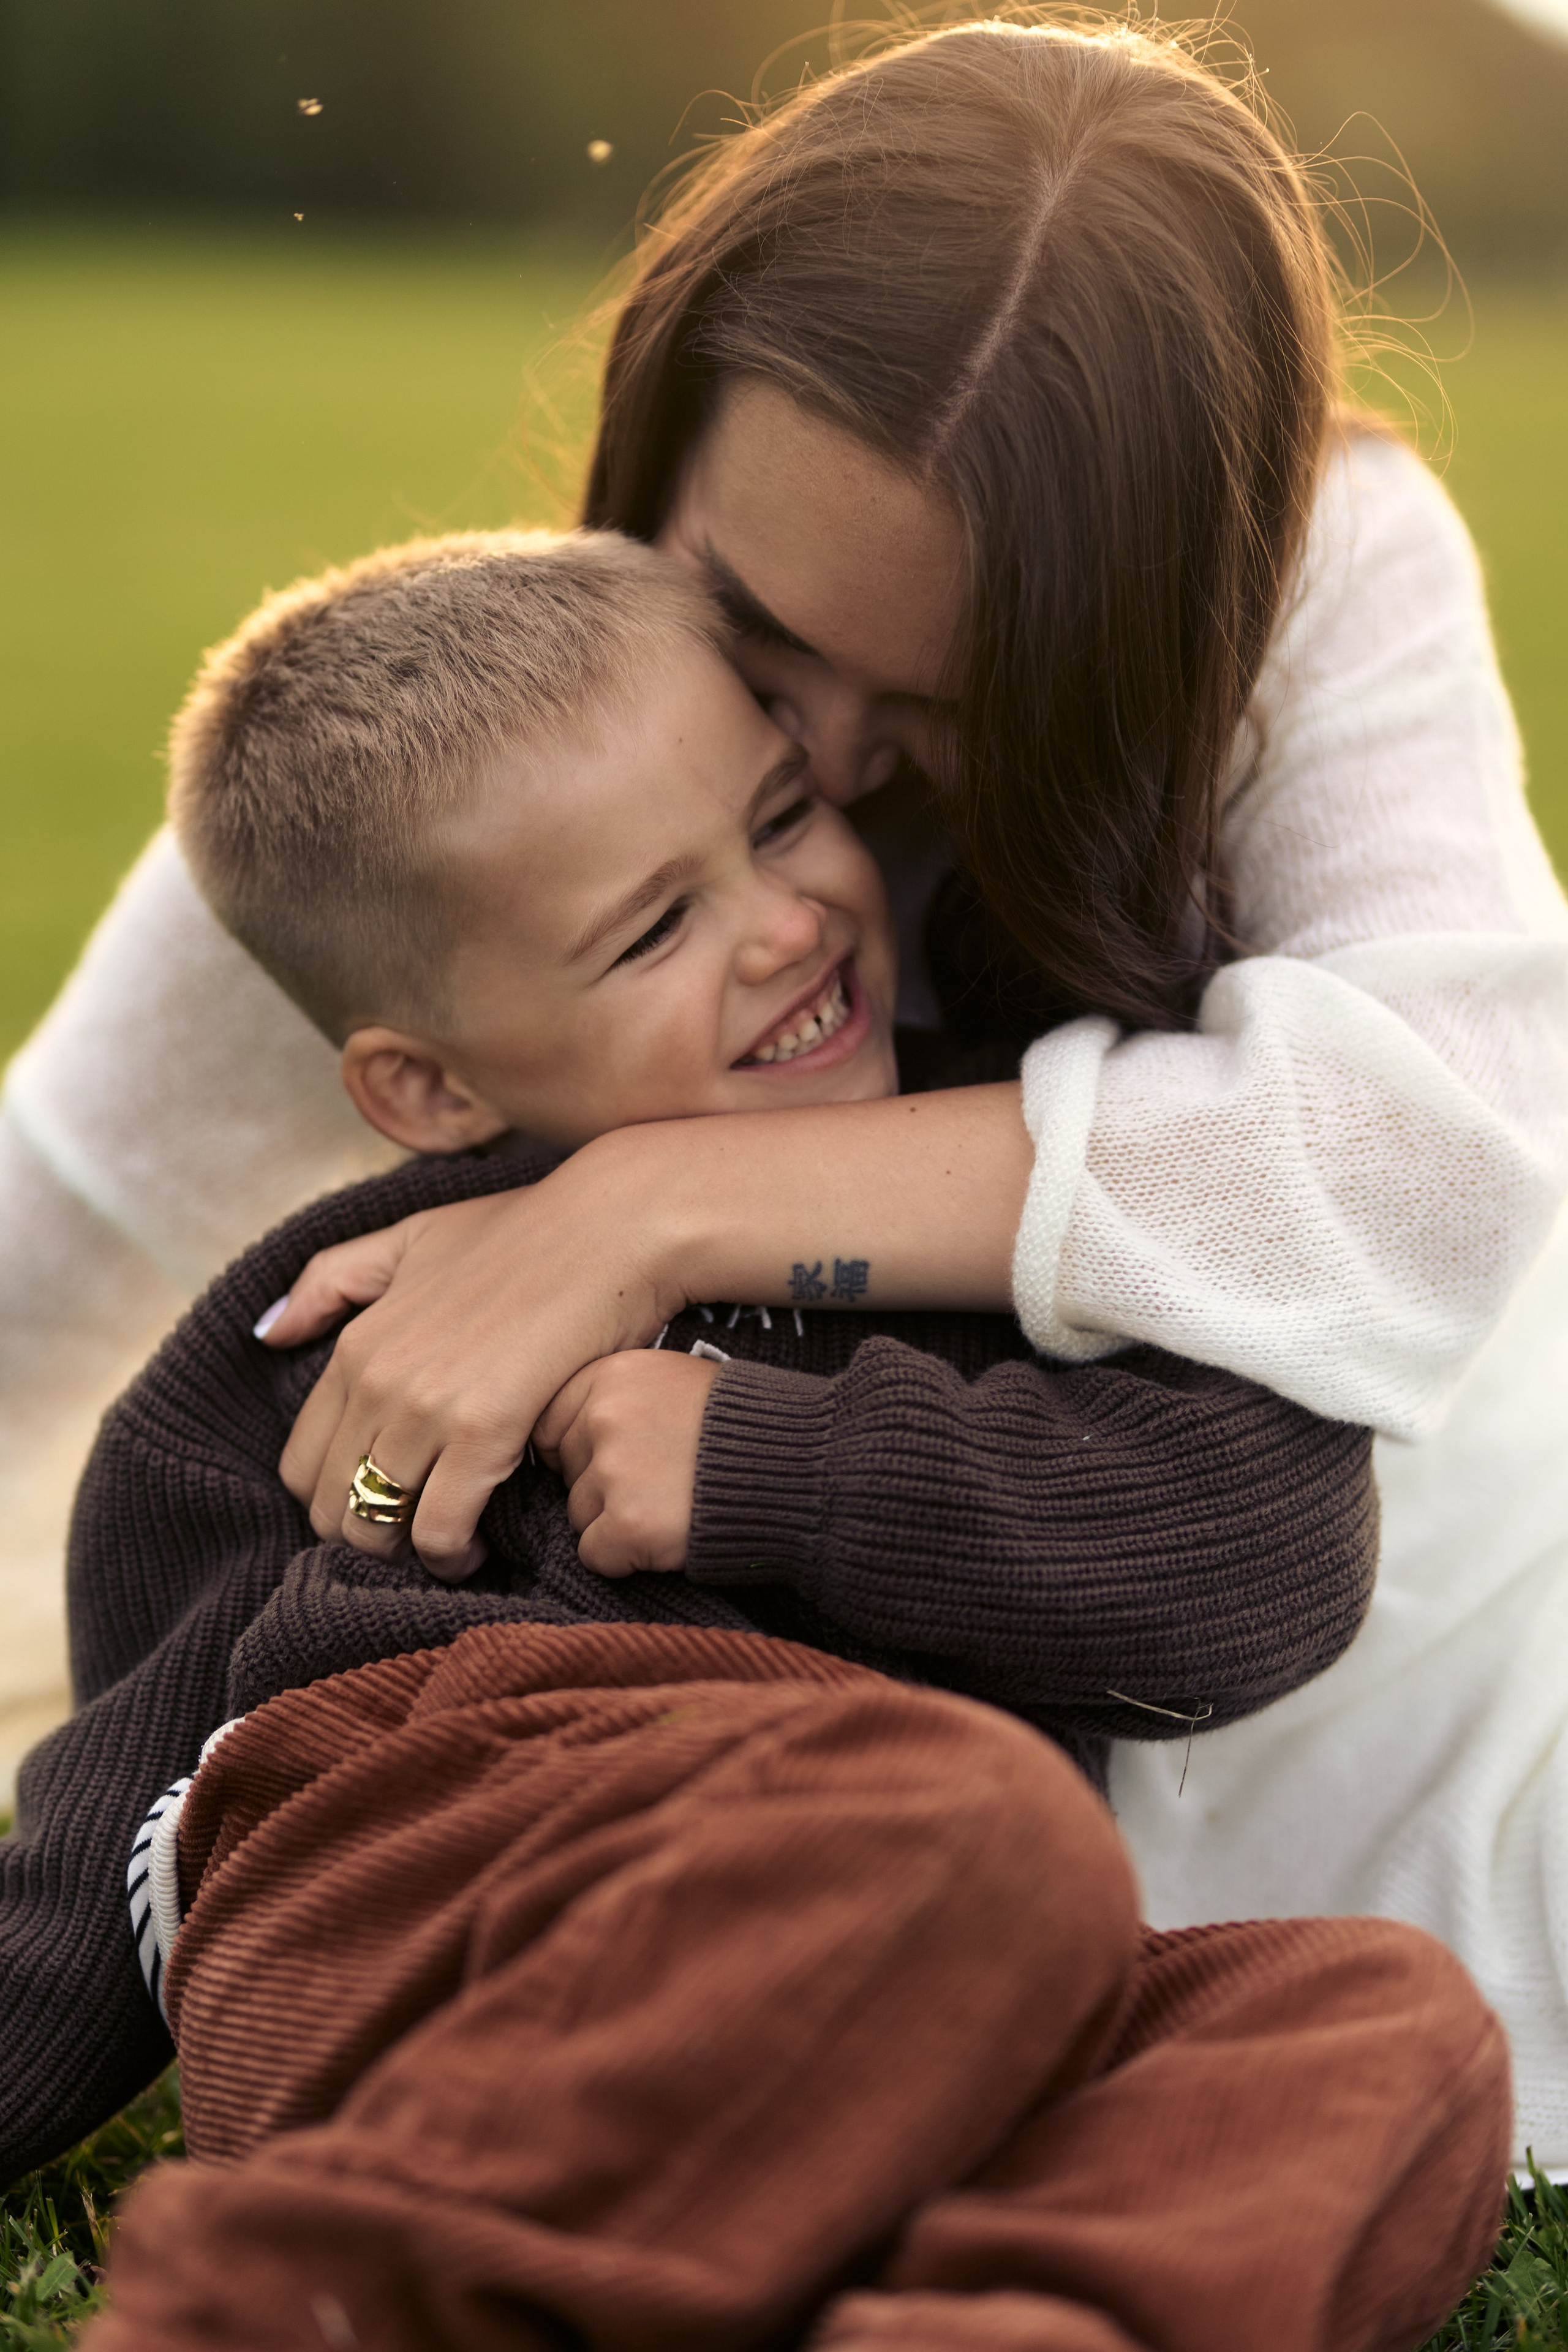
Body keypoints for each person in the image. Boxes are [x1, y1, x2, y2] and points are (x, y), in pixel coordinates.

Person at [3, 10, 1566, 2133]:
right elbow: (59, 1237)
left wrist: (651, 1216)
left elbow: (1418, 1180)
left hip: (1247, 1646)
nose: (820, 778)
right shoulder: (486, 774)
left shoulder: (1314, 580)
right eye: (752, 628)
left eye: (939, 708)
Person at [4, 524, 1502, 2350]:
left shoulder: (1032, 1201)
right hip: (422, 1870)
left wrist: (769, 1465)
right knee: (978, 1831)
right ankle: (311, 2300)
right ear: (430, 1086)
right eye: (654, 926)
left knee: (1382, 2030)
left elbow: (1258, 1574)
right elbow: (138, 1774)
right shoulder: (362, 1296)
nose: (788, 922)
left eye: (785, 819)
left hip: (916, 1951)